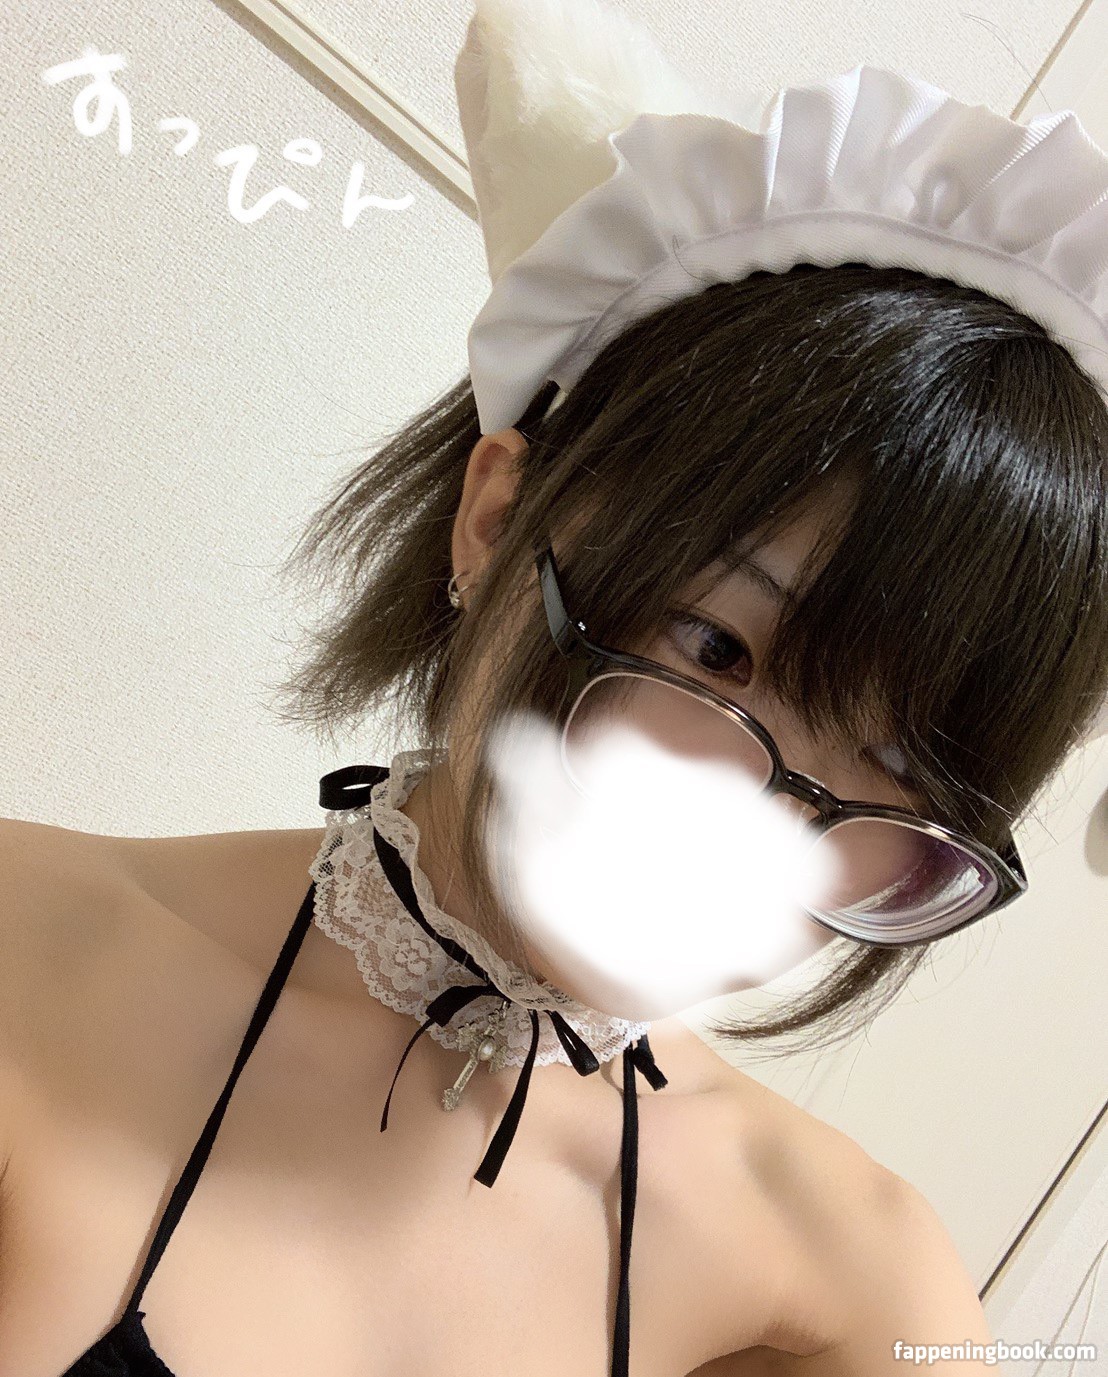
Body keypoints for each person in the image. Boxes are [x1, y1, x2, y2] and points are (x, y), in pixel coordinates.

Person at [3, 0, 1108, 1374]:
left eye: (901, 776)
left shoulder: (848, 1280)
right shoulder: (30, 956)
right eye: (716, 650)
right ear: (494, 522)